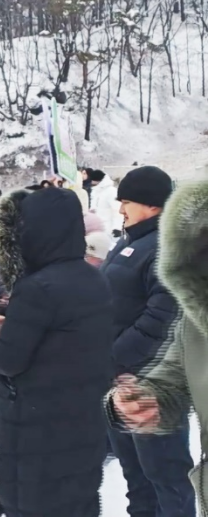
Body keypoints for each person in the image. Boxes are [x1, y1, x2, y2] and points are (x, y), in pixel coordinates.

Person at [0, 188, 113, 517]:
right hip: (82, 420)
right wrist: (15, 321)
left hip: (37, 428)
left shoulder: (36, 287)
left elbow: (8, 360)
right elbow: (66, 333)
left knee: (32, 505)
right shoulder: (94, 279)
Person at [100, 166, 196, 517]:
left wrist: (110, 359)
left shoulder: (168, 248)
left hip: (153, 382)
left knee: (167, 476)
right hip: (123, 379)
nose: (120, 208)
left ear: (152, 205)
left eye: (126, 201)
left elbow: (160, 322)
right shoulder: (132, 241)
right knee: (136, 474)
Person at [87, 168, 122, 237]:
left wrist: (117, 227)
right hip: (96, 228)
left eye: (94, 181)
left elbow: (117, 210)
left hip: (108, 228)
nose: (92, 183)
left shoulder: (111, 192)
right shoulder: (95, 191)